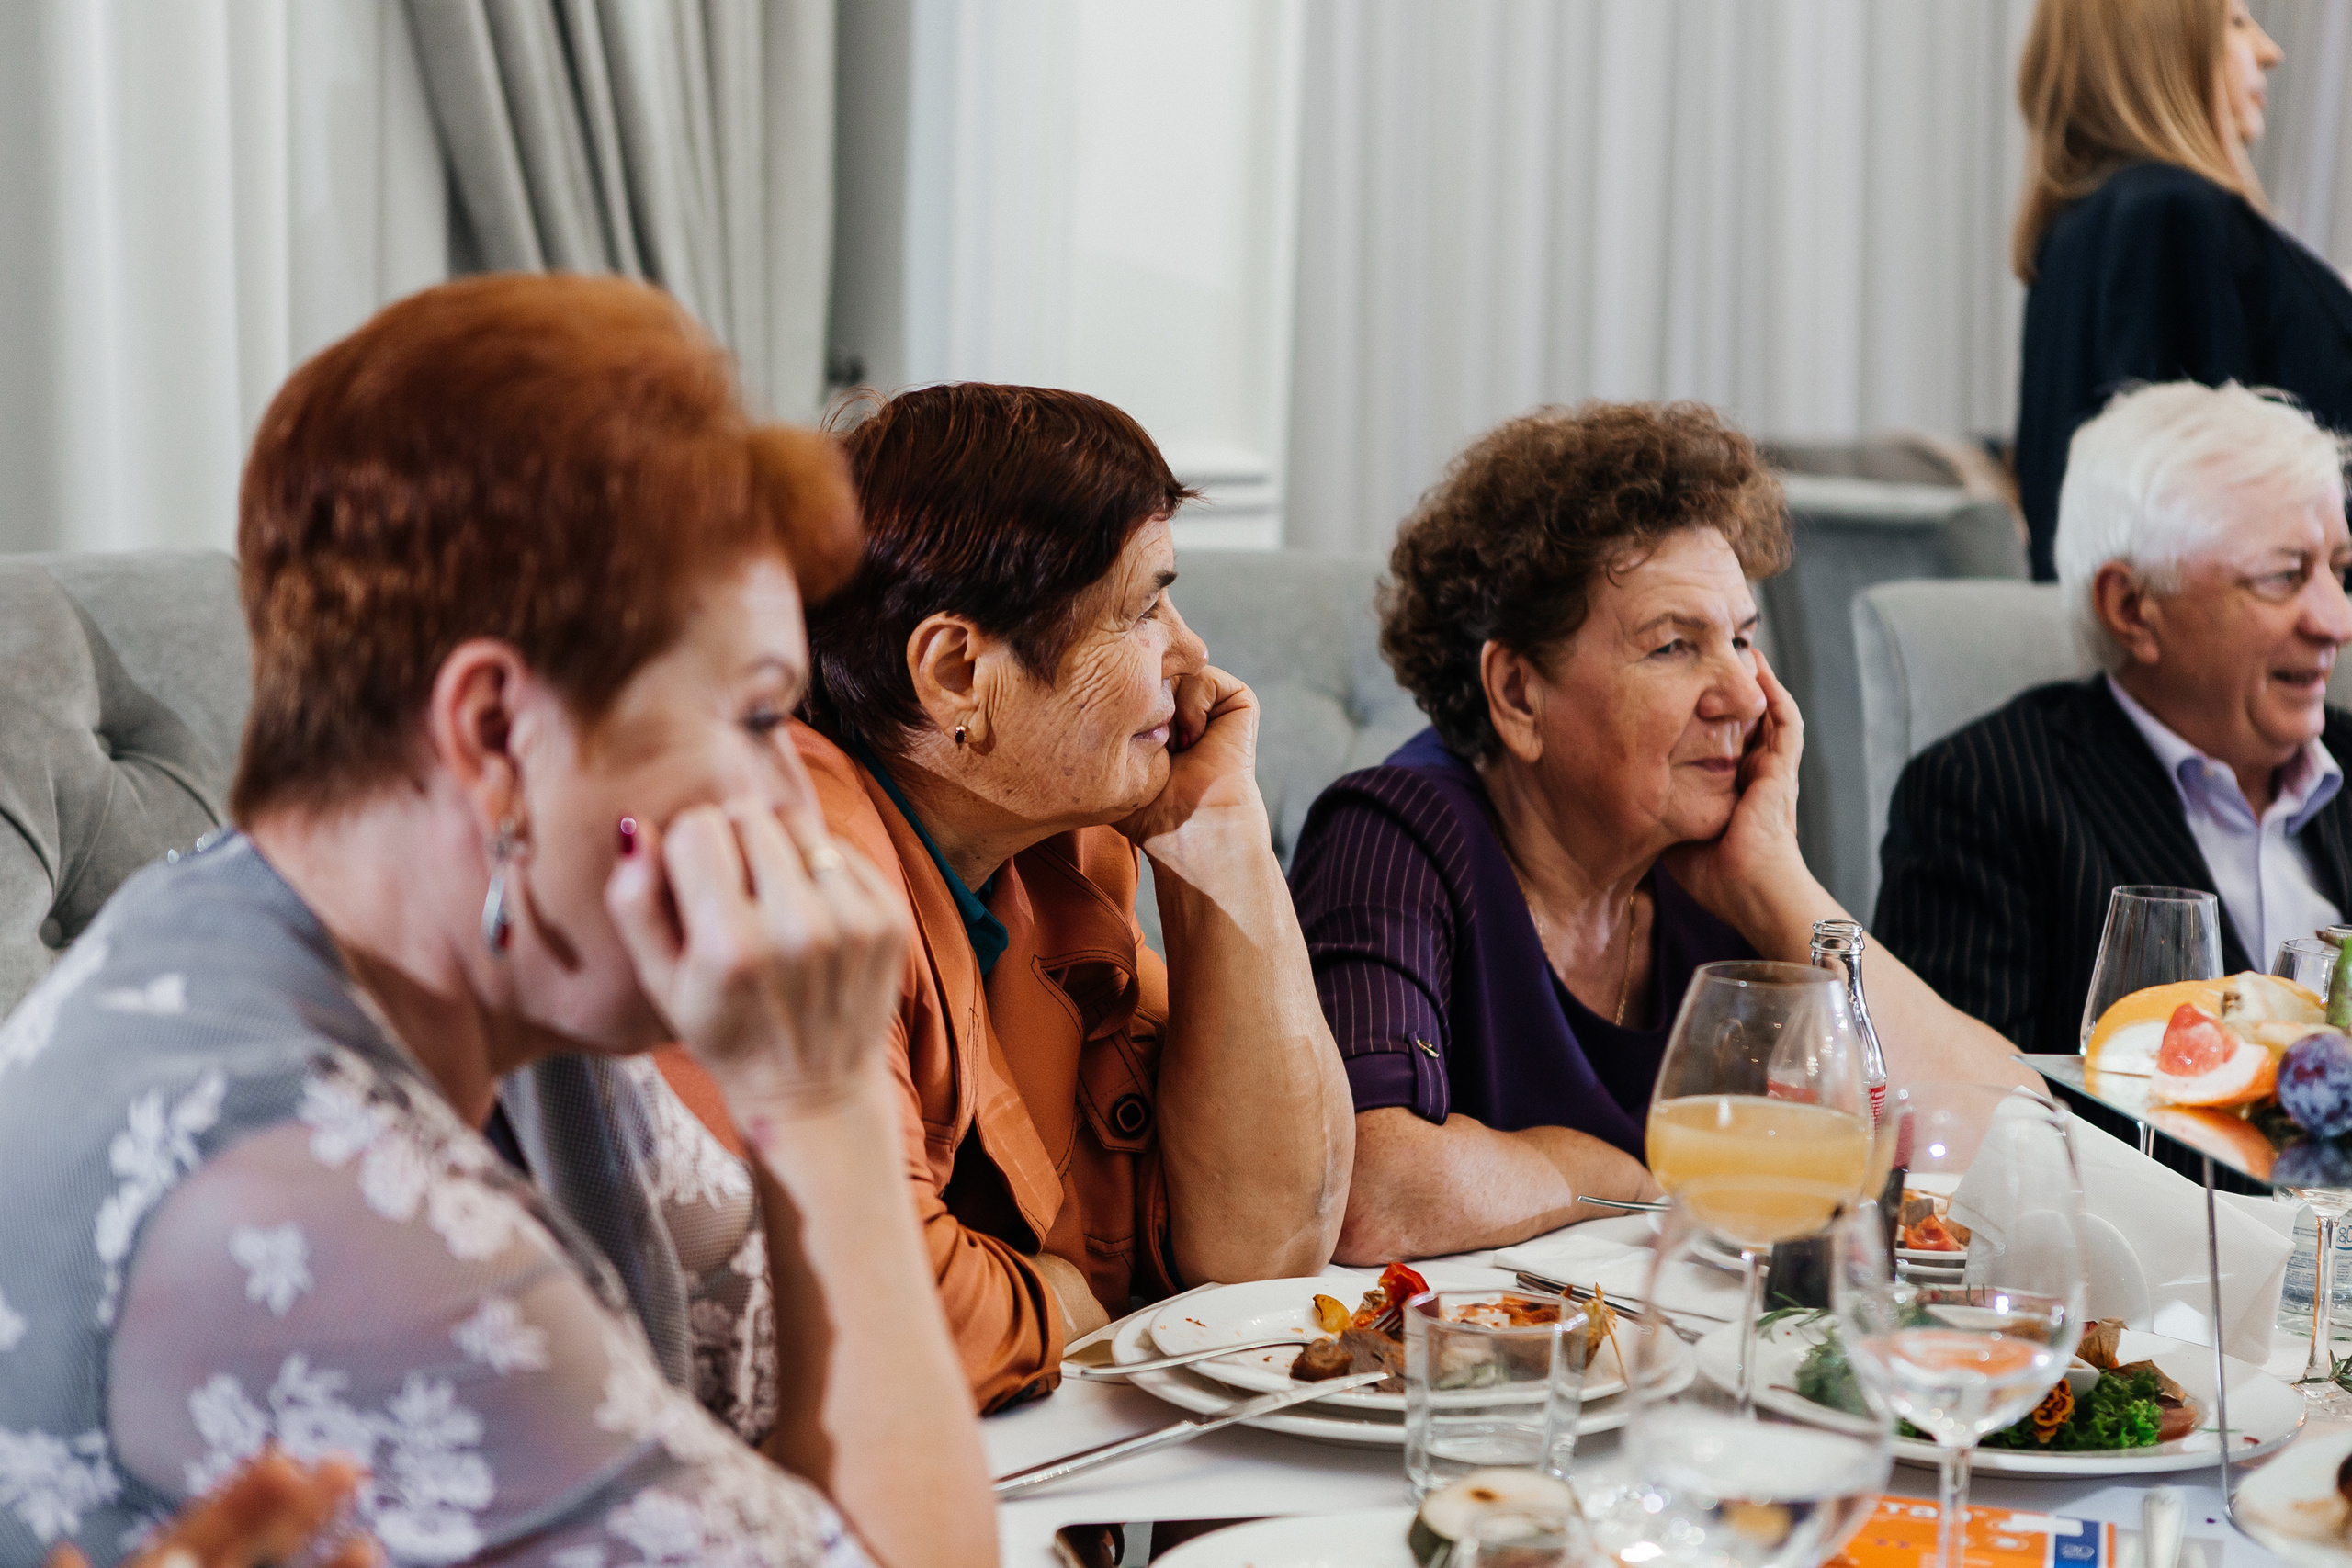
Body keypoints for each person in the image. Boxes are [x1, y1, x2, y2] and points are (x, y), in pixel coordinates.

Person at [0, 276, 994, 1567]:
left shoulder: (522, 1014)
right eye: (754, 716)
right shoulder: (297, 1181)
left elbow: (752, 1409)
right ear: (491, 734)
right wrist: (829, 1100)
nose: (789, 802)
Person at [662, 382, 1353, 1412]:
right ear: (955, 673)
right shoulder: (788, 863)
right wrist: (1070, 1303)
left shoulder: (1053, 861)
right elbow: (878, 1317)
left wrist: (1217, 840)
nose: (1192, 656)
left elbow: (1268, 1239)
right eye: (1142, 608)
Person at [1289, 401, 2034, 1263]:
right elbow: (1371, 1192)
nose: (1747, 696)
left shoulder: (1709, 856)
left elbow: (2005, 1142)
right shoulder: (1392, 836)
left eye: (1744, 640)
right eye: (1676, 646)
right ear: (1520, 693)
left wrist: (1773, 882)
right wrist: (1629, 1183)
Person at [1879, 379, 2352, 1055]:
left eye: (2341, 570)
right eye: (2283, 576)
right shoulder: (1985, 795)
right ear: (2132, 607)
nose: (2338, 620)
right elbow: (1967, 1110)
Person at [2012, 0, 2352, 580]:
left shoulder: (2082, 227)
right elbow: (2195, 517)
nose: (2271, 51)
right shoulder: (2172, 215)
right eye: (2236, 23)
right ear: (2159, 47)